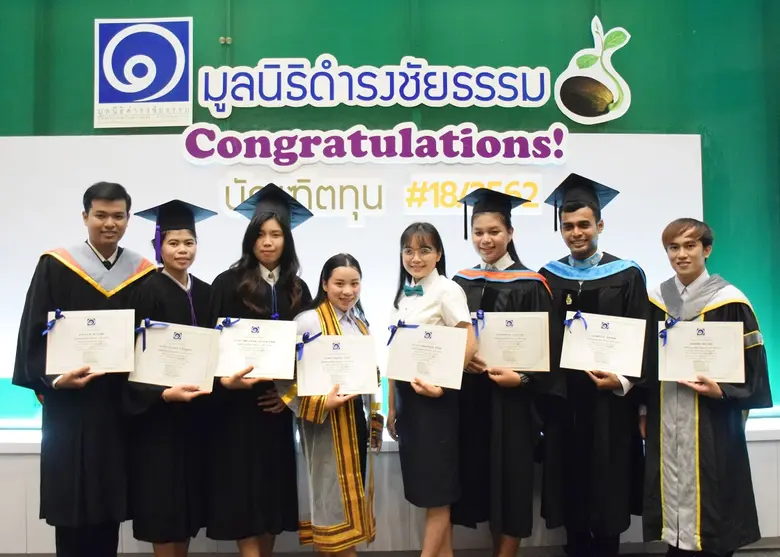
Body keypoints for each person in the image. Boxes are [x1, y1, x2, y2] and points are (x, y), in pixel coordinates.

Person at [12, 181, 156, 557]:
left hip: (116, 406)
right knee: (70, 507)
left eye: (118, 216)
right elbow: (32, 329)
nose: (110, 223)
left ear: (127, 219)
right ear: (85, 216)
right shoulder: (55, 265)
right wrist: (54, 380)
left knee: (109, 506)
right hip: (70, 408)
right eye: (101, 215)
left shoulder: (141, 272)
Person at [642, 218, 771, 557]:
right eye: (673, 247)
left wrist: (723, 390)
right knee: (672, 498)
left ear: (707, 249)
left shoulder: (730, 300)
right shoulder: (656, 299)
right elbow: (645, 363)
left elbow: (754, 369)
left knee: (714, 503)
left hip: (713, 420)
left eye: (690, 246)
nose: (681, 254)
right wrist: (641, 410)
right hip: (666, 418)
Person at [450, 189, 565, 557]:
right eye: (479, 232)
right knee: (483, 479)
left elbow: (549, 349)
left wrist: (524, 379)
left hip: (513, 402)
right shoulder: (460, 282)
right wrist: (459, 358)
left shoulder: (531, 283)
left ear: (510, 233)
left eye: (494, 231)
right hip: (472, 398)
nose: (486, 239)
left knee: (512, 482)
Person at [538, 173, 647, 557]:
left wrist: (622, 382)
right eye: (568, 226)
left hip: (609, 404)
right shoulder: (549, 276)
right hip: (564, 400)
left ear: (600, 225)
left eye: (584, 224)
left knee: (607, 480)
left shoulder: (627, 275)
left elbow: (642, 336)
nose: (576, 233)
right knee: (569, 478)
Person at [206, 183, 313, 557]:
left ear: (287, 240)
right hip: (236, 412)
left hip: (275, 410)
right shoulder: (227, 283)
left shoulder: (298, 289)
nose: (267, 242)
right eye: (260, 234)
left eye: (276, 234)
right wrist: (225, 383)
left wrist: (289, 398)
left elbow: (309, 354)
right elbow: (210, 349)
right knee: (243, 497)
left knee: (270, 499)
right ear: (250, 237)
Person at [125, 199, 218, 557]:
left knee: (187, 505)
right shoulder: (144, 291)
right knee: (163, 505)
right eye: (173, 243)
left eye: (189, 243)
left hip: (195, 418)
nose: (182, 250)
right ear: (158, 246)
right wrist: (162, 394)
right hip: (158, 421)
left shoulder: (207, 292)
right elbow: (131, 358)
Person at [278, 253, 384, 556]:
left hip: (355, 421)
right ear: (324, 284)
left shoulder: (359, 324)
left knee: (349, 503)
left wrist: (375, 419)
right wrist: (321, 403)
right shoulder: (308, 321)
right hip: (325, 425)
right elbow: (283, 375)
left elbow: (371, 375)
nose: (347, 291)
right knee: (330, 505)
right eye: (339, 283)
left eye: (354, 283)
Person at [386, 222, 478, 557]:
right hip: (409, 404)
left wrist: (441, 385)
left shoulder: (447, 290)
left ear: (438, 254)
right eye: (408, 250)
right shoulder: (403, 294)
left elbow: (470, 343)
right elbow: (395, 352)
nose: (416, 258)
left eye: (424, 250)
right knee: (427, 490)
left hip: (435, 404)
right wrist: (392, 408)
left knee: (437, 493)